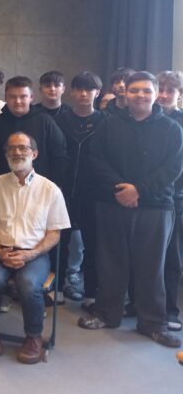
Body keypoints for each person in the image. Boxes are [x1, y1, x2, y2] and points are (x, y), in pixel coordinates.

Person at [78, 72, 183, 348]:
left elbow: (173, 168)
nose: (140, 96)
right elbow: (96, 159)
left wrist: (139, 190)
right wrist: (120, 188)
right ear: (126, 94)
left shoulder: (172, 129)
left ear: (155, 93)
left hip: (157, 207)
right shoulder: (108, 126)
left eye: (146, 91)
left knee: (152, 267)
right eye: (135, 90)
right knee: (111, 262)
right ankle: (107, 314)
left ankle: (153, 323)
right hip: (112, 203)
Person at [0, 132, 70, 364]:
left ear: (34, 154)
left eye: (23, 148)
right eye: (11, 149)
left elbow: (55, 233)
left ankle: (33, 337)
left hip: (35, 254)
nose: (17, 152)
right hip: (1, 250)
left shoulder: (50, 190)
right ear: (6, 154)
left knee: (28, 284)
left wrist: (31, 253)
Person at [54, 71, 105, 307]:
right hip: (63, 189)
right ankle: (57, 286)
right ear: (72, 92)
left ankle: (90, 291)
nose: (84, 94)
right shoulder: (60, 120)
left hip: (94, 191)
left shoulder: (106, 122)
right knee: (60, 239)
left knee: (93, 242)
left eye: (89, 89)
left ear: (97, 92)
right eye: (79, 89)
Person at [0, 76, 67, 193]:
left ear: (31, 97)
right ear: (5, 98)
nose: (18, 101)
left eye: (23, 96)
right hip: (1, 191)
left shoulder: (46, 122)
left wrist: (56, 186)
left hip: (39, 191)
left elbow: (59, 156)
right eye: (12, 97)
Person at [156, 70, 183, 331]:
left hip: (176, 198)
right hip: (148, 198)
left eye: (170, 90)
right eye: (160, 88)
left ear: (180, 95)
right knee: (143, 255)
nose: (163, 95)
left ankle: (170, 311)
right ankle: (140, 303)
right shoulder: (146, 119)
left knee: (171, 257)